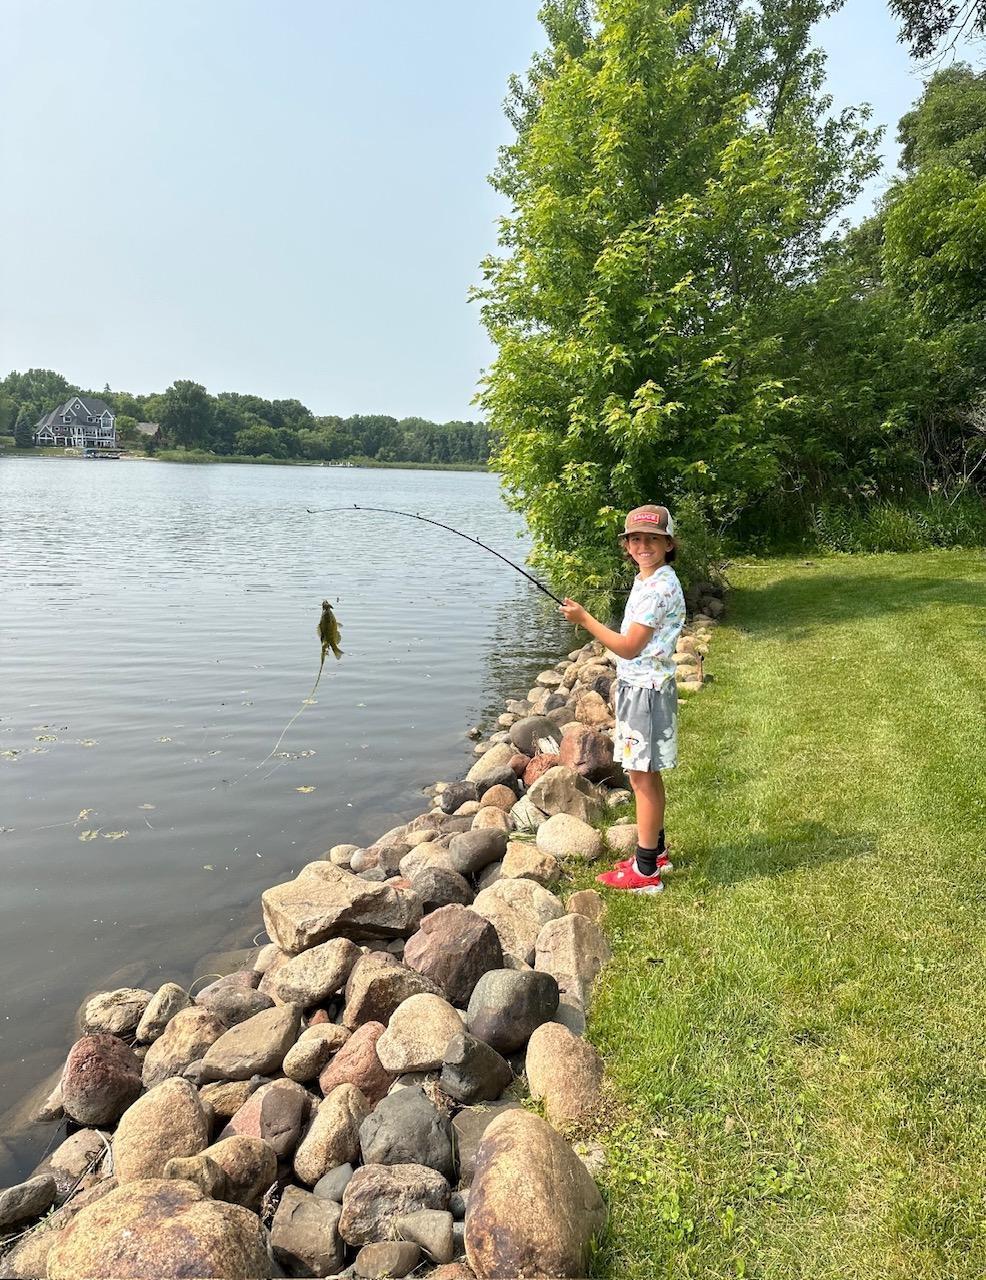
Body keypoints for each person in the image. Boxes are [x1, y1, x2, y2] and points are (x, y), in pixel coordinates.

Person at [560, 504, 686, 894]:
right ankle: (656, 852)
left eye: (652, 538)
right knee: (645, 774)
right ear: (626, 545)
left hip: (646, 693)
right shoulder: (648, 578)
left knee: (641, 778)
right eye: (635, 538)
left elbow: (629, 647)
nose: (643, 545)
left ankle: (646, 872)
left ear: (668, 543)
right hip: (644, 688)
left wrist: (585, 620)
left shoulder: (660, 587)